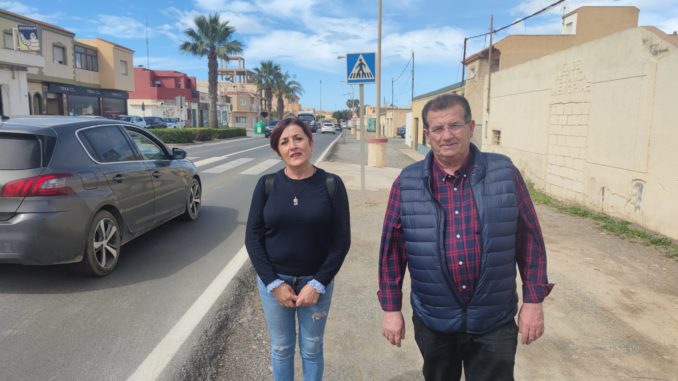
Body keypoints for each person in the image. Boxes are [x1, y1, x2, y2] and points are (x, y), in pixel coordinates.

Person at [378, 94, 553, 381]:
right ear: (427, 134)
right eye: (438, 128)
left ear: (471, 127)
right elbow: (391, 253)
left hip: (493, 320)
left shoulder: (504, 173)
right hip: (434, 320)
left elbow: (530, 241)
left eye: (455, 125)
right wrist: (390, 309)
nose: (447, 135)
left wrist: (534, 301)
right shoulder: (407, 183)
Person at [246, 117, 351, 381]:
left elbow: (341, 240)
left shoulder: (332, 185)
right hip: (275, 285)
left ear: (310, 142)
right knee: (281, 349)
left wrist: (317, 284)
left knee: (312, 349)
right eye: (284, 142)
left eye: (298, 138)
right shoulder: (266, 185)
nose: (292, 146)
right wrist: (273, 284)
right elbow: (253, 238)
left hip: (317, 284)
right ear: (278, 150)